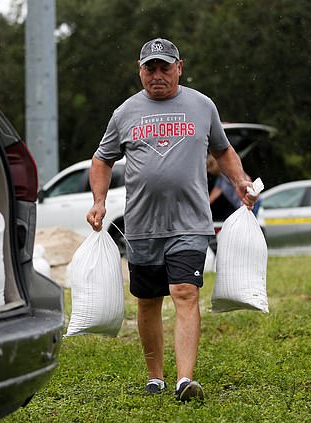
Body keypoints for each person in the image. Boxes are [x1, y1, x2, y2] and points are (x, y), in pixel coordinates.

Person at [85, 37, 257, 402]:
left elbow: (223, 150)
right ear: (140, 69)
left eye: (165, 67)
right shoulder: (125, 112)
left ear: (180, 67)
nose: (158, 75)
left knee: (184, 292)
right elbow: (102, 159)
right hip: (142, 226)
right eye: (151, 68)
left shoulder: (201, 106)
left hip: (190, 223)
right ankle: (155, 377)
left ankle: (184, 380)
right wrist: (99, 201)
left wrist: (240, 181)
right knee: (148, 301)